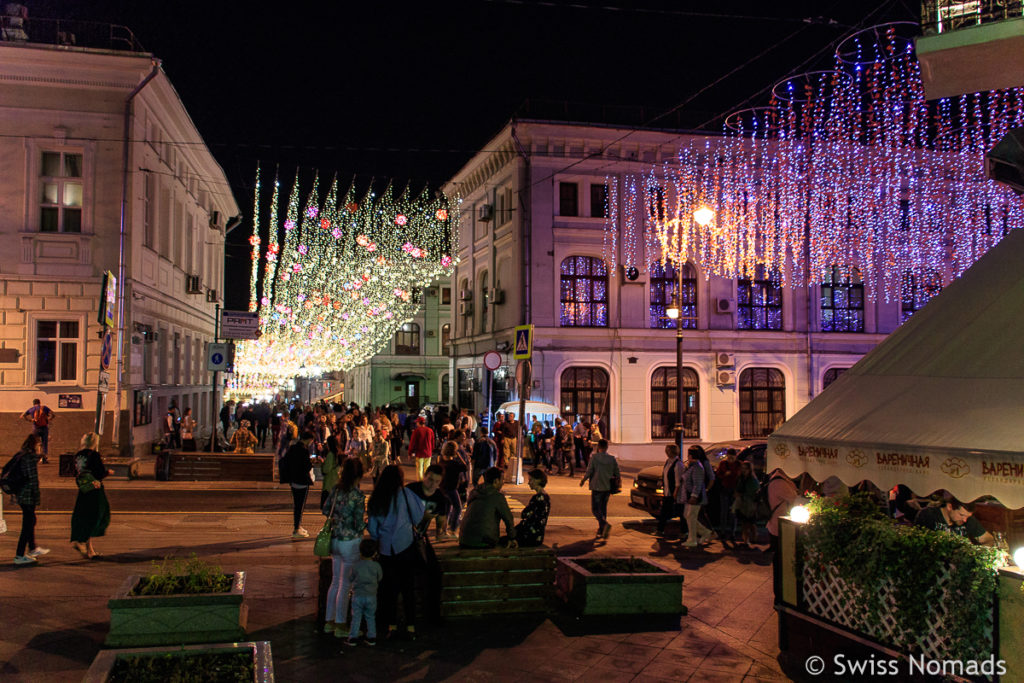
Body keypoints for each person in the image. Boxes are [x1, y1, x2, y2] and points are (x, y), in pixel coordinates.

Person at [368, 465, 425, 641]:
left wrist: (380, 536)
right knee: (408, 589)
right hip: (406, 547)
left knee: (389, 590)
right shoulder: (407, 495)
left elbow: (373, 527)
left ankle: (391, 626)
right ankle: (410, 626)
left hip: (386, 549)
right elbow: (418, 516)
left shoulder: (377, 498)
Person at [322, 458, 366, 637]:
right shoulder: (357, 496)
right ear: (359, 475)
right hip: (350, 542)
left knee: (334, 582)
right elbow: (357, 524)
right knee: (345, 584)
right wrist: (365, 524)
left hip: (335, 540)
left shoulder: (336, 490)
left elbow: (326, 510)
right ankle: (341, 625)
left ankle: (329, 622)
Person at [70, 432, 112, 559]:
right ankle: (82, 541)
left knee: (84, 515)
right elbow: (99, 473)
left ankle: (90, 550)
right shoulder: (94, 455)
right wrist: (108, 473)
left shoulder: (78, 455)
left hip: (83, 489)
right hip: (95, 489)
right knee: (99, 515)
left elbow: (74, 472)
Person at [459, 467, 517, 549]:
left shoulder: (474, 491)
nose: (503, 483)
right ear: (496, 481)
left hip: (464, 540)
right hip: (484, 542)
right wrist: (512, 537)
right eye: (502, 480)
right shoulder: (497, 496)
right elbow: (508, 519)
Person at [12, 434, 48, 564]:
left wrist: (40, 456)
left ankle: (32, 548)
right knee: (27, 524)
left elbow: (36, 458)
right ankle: (19, 555)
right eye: (39, 444)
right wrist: (36, 495)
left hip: (22, 494)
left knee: (30, 521)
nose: (40, 447)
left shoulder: (24, 455)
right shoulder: (29, 458)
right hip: (27, 495)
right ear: (35, 445)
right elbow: (33, 479)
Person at [580, 438, 620, 539]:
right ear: (607, 447)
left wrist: (583, 480)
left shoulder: (594, 457)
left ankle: (604, 524)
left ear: (598, 447)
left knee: (595, 509)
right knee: (603, 509)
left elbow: (589, 471)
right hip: (607, 487)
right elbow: (617, 473)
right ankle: (602, 530)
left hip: (597, 486)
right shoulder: (612, 459)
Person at [346, 538, 383, 647]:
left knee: (356, 617)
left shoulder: (356, 566)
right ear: (375, 553)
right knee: (370, 617)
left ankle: (353, 637)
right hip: (371, 595)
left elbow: (350, 578)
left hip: (358, 595)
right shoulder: (376, 566)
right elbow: (380, 577)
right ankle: (371, 636)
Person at [280, 431, 316, 539]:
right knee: (300, 506)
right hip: (302, 481)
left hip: (293, 480)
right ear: (309, 439)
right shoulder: (304, 450)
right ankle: (296, 528)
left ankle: (298, 526)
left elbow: (286, 461)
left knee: (297, 505)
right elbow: (307, 466)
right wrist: (312, 461)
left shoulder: (292, 448)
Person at [914, 497, 994, 545]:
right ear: (949, 507)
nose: (965, 520)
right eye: (961, 515)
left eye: (967, 516)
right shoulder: (929, 515)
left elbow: (988, 539)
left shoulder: (967, 520)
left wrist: (976, 552)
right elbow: (917, 543)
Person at [681, 445, 713, 548]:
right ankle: (705, 532)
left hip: (695, 497)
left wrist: (694, 496)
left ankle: (692, 539)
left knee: (691, 516)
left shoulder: (697, 467)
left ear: (691, 455)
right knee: (688, 516)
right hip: (689, 495)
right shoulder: (692, 465)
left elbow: (698, 483)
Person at [515, 469, 550, 547]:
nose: (528, 483)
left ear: (538, 481)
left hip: (531, 536)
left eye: (530, 480)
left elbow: (525, 514)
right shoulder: (546, 497)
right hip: (537, 535)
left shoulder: (538, 498)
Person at [655, 444, 683, 538]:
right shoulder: (668, 462)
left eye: (668, 450)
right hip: (667, 491)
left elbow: (678, 480)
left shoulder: (678, 464)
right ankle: (660, 529)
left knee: (679, 511)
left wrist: (675, 492)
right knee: (664, 511)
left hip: (673, 492)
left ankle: (683, 531)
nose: (666, 452)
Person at [439, 442, 468, 536]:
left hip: (443, 487)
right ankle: (453, 528)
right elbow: (465, 467)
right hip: (451, 488)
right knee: (458, 508)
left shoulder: (442, 461)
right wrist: (459, 455)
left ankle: (443, 530)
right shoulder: (454, 463)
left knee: (447, 509)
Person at [715, 448, 742, 540]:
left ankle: (732, 532)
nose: (730, 458)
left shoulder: (739, 464)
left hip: (735, 490)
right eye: (729, 456)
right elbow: (718, 475)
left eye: (732, 457)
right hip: (725, 489)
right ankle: (723, 531)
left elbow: (741, 476)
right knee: (724, 511)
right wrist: (724, 475)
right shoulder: (723, 464)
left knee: (733, 512)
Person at [732, 461, 760, 548]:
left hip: (749, 503)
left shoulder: (752, 480)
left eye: (745, 468)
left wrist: (741, 494)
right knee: (745, 522)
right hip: (743, 503)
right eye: (742, 468)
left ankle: (751, 537)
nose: (743, 470)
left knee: (749, 522)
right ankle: (746, 540)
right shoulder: (741, 478)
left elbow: (752, 492)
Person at [22, 398, 54, 464]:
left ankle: (33, 458)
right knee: (44, 443)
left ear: (33, 403)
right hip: (44, 428)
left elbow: (23, 416)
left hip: (36, 428)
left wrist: (30, 420)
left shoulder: (31, 409)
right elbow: (53, 414)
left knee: (34, 443)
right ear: (39, 402)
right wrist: (48, 419)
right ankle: (44, 458)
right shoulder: (44, 408)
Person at [409, 416, 435, 481]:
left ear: (418, 423)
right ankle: (426, 481)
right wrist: (432, 450)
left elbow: (412, 443)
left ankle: (420, 482)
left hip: (419, 453)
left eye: (417, 422)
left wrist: (410, 453)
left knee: (419, 469)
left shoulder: (416, 431)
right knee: (427, 468)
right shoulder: (430, 430)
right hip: (428, 452)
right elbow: (432, 442)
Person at [320, 435, 342, 510]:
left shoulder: (330, 454)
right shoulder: (339, 453)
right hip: (336, 481)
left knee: (327, 508)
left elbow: (326, 469)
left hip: (329, 483)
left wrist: (322, 463)